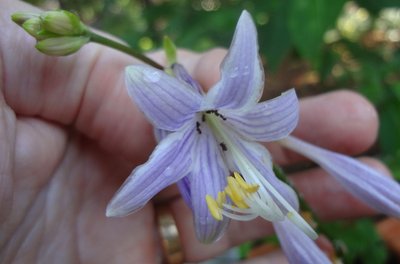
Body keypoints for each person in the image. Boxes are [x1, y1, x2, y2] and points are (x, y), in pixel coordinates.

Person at [0, 0, 390, 263]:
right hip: (205, 122)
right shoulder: (176, 121)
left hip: (224, 126)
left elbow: (278, 111)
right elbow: (148, 175)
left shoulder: (221, 124)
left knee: (277, 200)